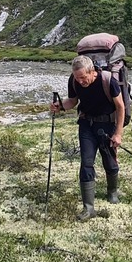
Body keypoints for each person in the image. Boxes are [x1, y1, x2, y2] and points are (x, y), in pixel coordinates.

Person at [50, 55, 125, 220]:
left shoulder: (107, 81)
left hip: (107, 124)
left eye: (83, 78)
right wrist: (60, 106)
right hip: (86, 124)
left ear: (93, 72)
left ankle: (112, 192)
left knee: (109, 161)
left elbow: (120, 107)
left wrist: (118, 134)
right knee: (86, 163)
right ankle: (89, 208)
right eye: (77, 78)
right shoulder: (74, 80)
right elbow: (73, 101)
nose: (81, 81)